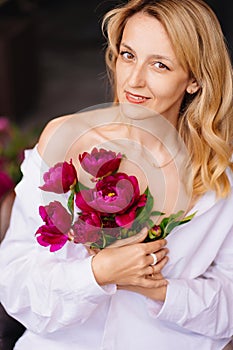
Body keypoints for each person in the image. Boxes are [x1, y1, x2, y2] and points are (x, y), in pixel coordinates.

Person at [0, 0, 233, 349]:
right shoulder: (64, 142)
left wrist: (158, 288)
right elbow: (14, 283)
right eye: (128, 55)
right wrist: (97, 274)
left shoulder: (220, 175)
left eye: (160, 64)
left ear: (195, 80)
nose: (134, 80)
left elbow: (228, 307)